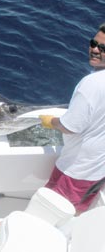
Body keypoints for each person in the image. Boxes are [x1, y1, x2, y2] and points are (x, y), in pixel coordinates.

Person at [39, 22, 105, 214]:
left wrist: (51, 122)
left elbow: (70, 126)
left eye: (103, 48)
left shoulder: (91, 85)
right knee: (74, 214)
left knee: (48, 216)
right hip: (98, 171)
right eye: (94, 43)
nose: (94, 49)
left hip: (76, 171)